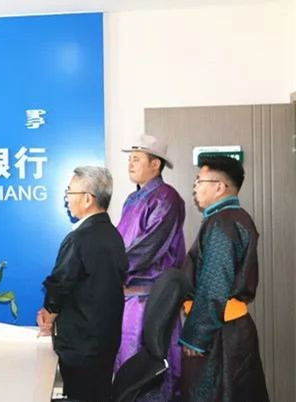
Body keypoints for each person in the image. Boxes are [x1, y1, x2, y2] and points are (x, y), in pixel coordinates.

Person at [179, 156, 269, 402]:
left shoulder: (223, 223)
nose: (195, 188)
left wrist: (196, 338)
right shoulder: (232, 217)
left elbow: (214, 284)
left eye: (199, 181)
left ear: (219, 187)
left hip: (220, 333)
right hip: (228, 328)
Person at [38, 166, 128, 402]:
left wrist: (48, 316)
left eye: (70, 192)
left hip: (80, 347)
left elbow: (60, 285)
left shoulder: (79, 238)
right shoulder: (114, 235)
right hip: (104, 343)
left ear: (88, 199)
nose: (66, 198)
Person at [115, 134, 186, 400]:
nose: (130, 164)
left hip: (149, 299)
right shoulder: (132, 199)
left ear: (155, 164)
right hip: (129, 297)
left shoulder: (166, 197)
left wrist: (113, 268)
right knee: (126, 367)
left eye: (137, 159)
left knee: (147, 368)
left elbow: (148, 247)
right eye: (130, 159)